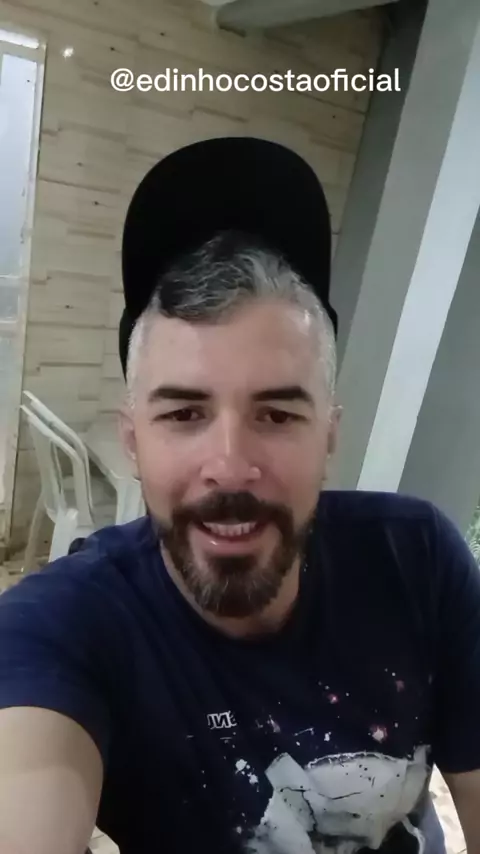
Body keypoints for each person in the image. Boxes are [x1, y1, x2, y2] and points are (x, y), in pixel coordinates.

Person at [0, 137, 479, 854]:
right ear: (133, 440)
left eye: (277, 415)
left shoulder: (416, 558)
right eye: (184, 414)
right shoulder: (64, 628)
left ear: (329, 434)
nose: (229, 467)